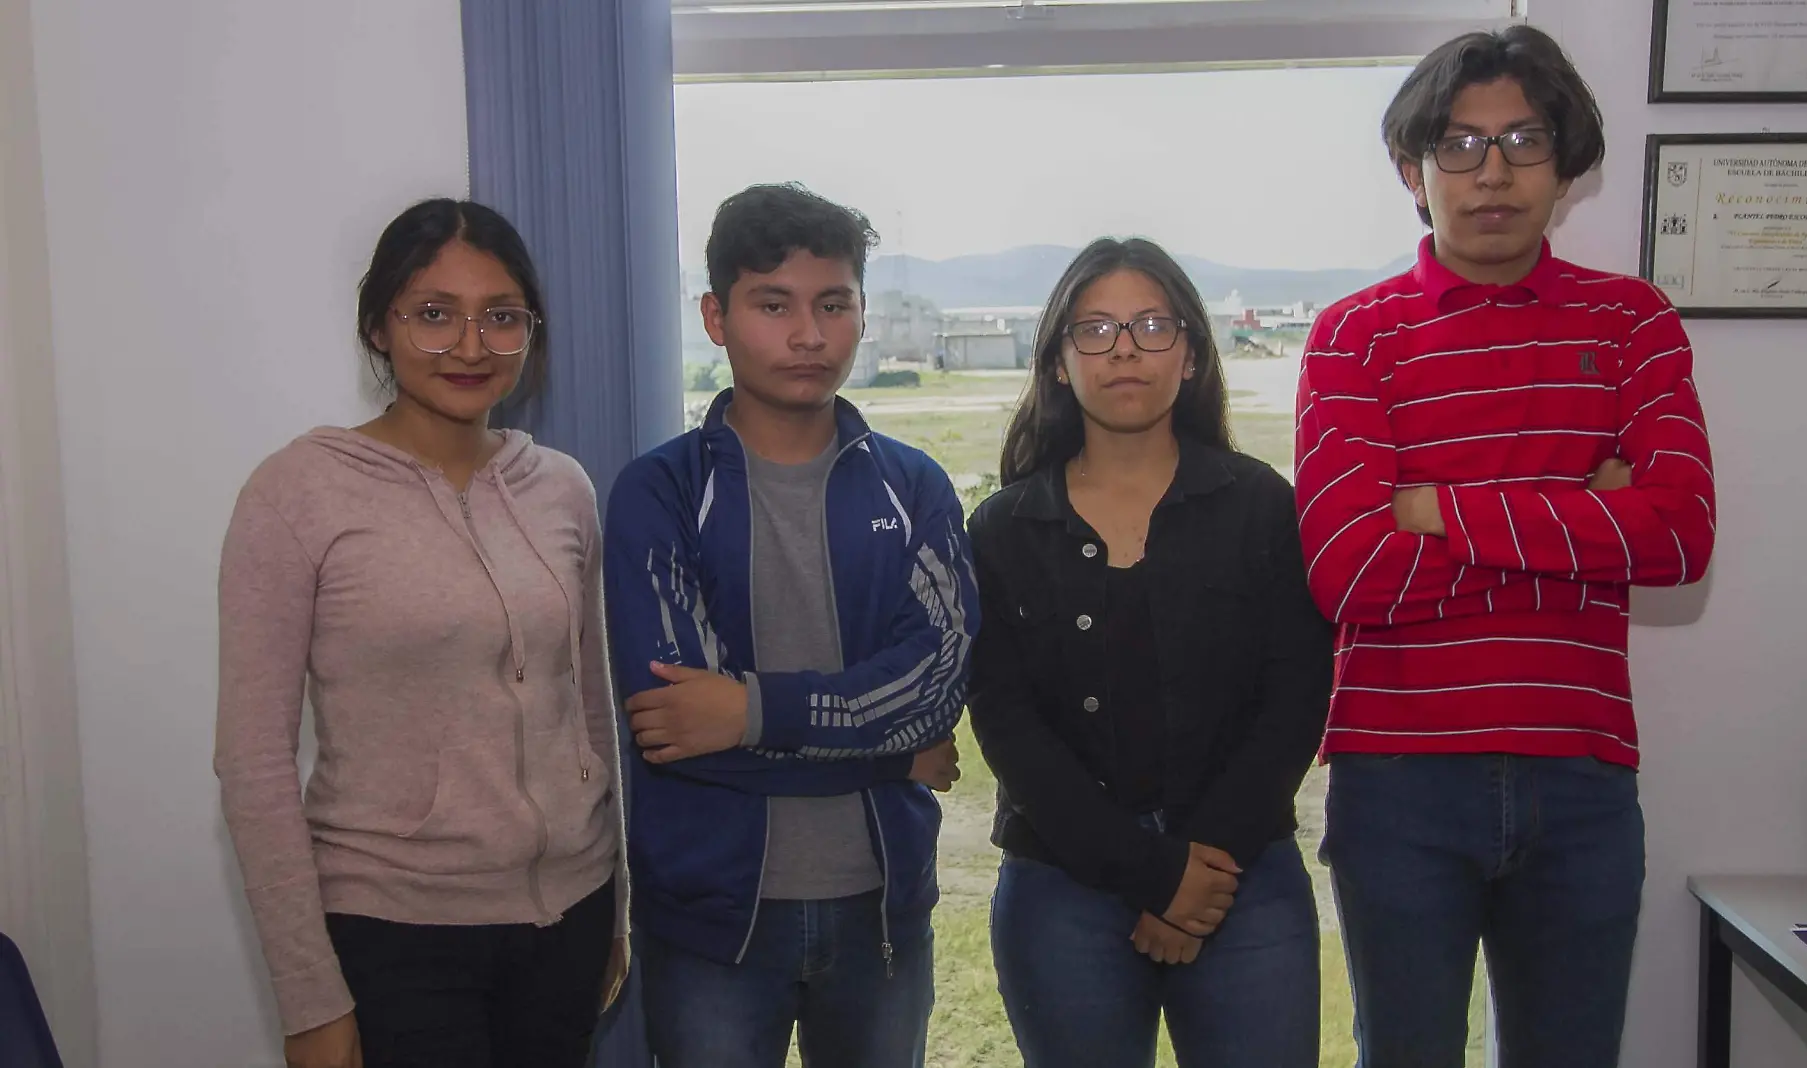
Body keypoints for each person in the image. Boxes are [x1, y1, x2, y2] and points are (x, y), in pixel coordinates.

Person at [1294, 26, 1717, 1068]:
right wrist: (1580, 511)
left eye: (1522, 140)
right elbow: (1349, 571)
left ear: (1564, 163)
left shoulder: (1633, 324)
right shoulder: (1354, 336)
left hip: (1579, 772)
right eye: (1457, 143)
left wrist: (1436, 508)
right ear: (1411, 170)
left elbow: (1675, 536)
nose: (1491, 171)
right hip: (1397, 778)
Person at [216, 199, 629, 1068]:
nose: (471, 347)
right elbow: (253, 760)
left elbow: (589, 705)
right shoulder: (296, 493)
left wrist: (615, 910)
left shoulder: (563, 488)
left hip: (569, 918)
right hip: (396, 930)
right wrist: (308, 999)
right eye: (434, 314)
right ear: (378, 327)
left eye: (501, 317)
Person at [602, 183, 976, 1068]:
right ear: (716, 316)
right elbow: (677, 726)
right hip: (711, 922)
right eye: (773, 305)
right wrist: (888, 750)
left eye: (833, 304)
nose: (808, 335)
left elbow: (936, 689)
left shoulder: (913, 486)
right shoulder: (659, 492)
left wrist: (753, 710)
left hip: (882, 908)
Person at [965, 238, 1336, 1068]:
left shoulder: (1261, 507)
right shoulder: (1003, 529)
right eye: (1093, 329)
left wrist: (1201, 870)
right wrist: (1152, 873)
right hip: (1062, 884)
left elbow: (1296, 698)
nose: (1124, 348)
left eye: (1150, 325)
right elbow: (1006, 724)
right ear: (1059, 362)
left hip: (1242, 875)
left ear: (1193, 353)